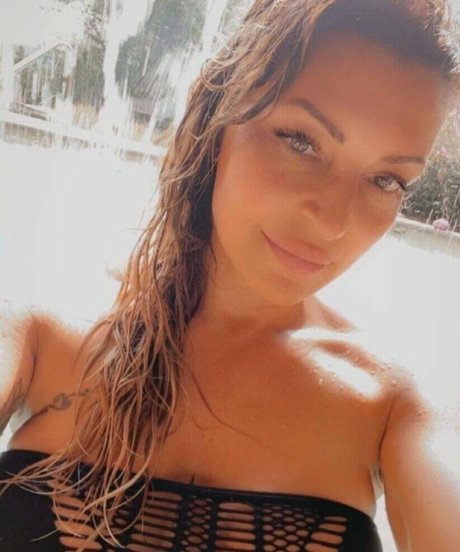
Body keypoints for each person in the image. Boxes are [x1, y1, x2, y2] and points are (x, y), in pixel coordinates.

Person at [0, 0, 459, 550]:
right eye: (301, 141)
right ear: (217, 118)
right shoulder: (37, 338)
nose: (335, 222)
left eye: (387, 180)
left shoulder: (392, 409)